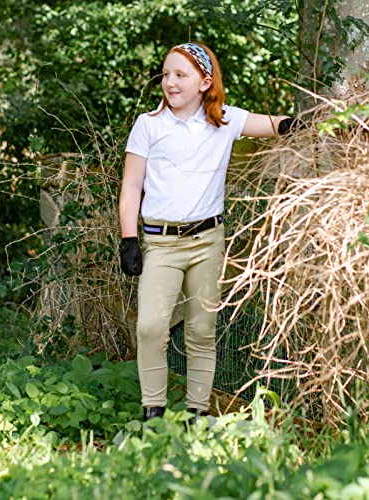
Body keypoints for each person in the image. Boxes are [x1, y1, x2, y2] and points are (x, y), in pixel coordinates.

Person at [118, 41, 294, 423]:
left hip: (207, 242)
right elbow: (131, 185)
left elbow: (275, 125)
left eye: (180, 75)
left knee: (201, 329)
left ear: (204, 82)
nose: (170, 82)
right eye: (166, 74)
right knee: (150, 328)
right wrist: (129, 238)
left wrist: (309, 122)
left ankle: (197, 415)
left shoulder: (225, 120)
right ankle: (154, 415)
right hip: (162, 243)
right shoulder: (149, 124)